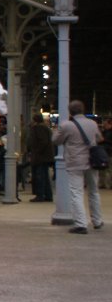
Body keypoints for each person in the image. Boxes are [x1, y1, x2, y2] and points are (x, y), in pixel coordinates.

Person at [51, 100, 104, 234]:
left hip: (75, 162)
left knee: (77, 193)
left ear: (70, 111)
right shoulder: (92, 123)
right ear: (83, 110)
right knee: (94, 191)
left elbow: (55, 141)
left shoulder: (66, 125)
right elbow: (99, 138)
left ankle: (81, 224)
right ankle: (97, 221)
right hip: (92, 161)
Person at [26, 113, 54, 202]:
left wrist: (35, 152)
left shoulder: (39, 128)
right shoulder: (45, 128)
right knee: (44, 176)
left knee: (39, 176)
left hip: (40, 157)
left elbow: (42, 142)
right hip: (44, 157)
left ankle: (40, 195)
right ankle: (48, 195)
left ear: (35, 120)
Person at [100, 118, 112, 190]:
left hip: (109, 152)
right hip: (104, 152)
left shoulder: (107, 132)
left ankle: (108, 184)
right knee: (103, 169)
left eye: (106, 124)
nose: (104, 125)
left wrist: (104, 140)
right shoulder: (104, 131)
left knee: (108, 170)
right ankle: (103, 183)